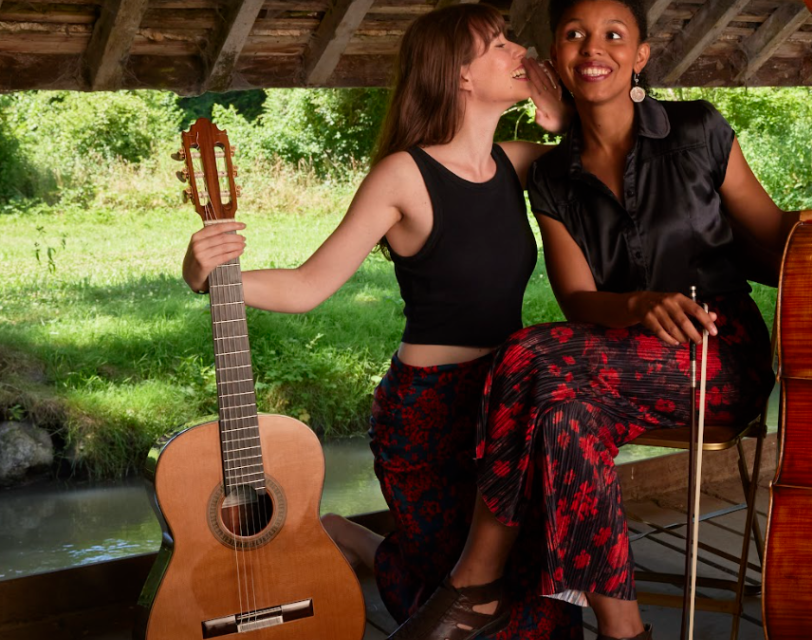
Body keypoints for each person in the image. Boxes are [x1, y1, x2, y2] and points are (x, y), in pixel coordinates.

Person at [390, 0, 812, 639]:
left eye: (615, 35)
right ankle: (625, 631)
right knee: (563, 414)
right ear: (556, 55)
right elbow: (580, 301)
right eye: (574, 35)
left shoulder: (698, 132)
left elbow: (779, 237)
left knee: (529, 354)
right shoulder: (553, 176)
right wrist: (639, 305)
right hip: (609, 368)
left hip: (717, 354)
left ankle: (476, 582)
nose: (594, 49)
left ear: (640, 55)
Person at [179, 5, 583, 639]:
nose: (520, 53)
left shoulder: (520, 161)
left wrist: (559, 118)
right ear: (460, 76)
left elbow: (606, 160)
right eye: (500, 44)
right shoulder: (403, 174)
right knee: (461, 600)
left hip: (506, 402)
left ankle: (352, 537)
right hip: (427, 416)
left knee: (541, 610)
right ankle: (358, 540)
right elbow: (309, 286)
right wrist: (207, 275)